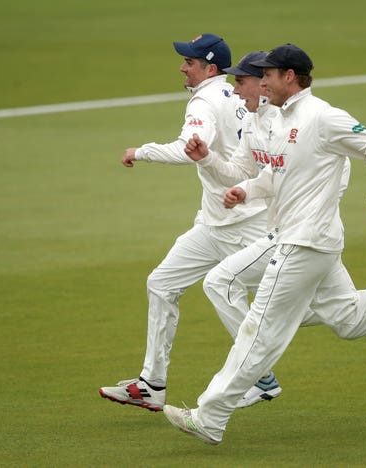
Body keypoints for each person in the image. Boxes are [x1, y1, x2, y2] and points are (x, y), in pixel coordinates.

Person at [162, 44, 366, 445]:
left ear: (288, 77)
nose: (260, 84)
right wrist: (241, 185)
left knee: (259, 332)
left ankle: (210, 416)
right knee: (348, 320)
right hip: (306, 239)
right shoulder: (279, 120)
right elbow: (274, 177)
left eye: (266, 76)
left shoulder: (322, 116)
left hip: (304, 240)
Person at [98, 34, 270, 411]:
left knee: (315, 304)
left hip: (246, 225)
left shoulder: (206, 100)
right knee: (161, 284)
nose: (182, 67)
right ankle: (151, 384)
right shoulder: (233, 95)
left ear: (210, 68)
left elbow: (189, 148)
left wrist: (139, 151)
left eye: (189, 62)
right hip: (214, 223)